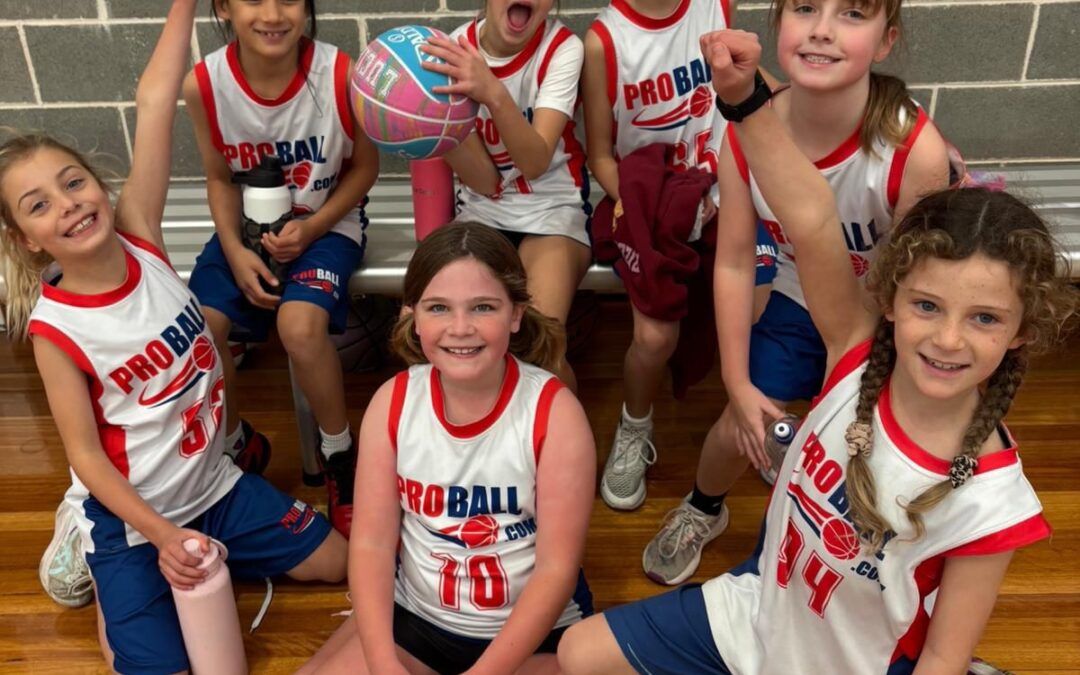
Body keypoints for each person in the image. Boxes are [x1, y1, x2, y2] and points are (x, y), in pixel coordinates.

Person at [556, 29, 1077, 675]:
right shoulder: (856, 353)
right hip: (767, 605)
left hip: (843, 660)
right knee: (578, 652)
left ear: (1023, 329)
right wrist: (744, 99)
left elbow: (942, 654)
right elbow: (810, 215)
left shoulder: (991, 500)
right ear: (888, 299)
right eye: (927, 306)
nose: (947, 338)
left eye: (985, 318)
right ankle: (706, 514)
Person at [0, 2, 347, 672]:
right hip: (133, 522)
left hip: (212, 483)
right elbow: (87, 458)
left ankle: (188, 553)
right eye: (39, 204)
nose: (67, 202)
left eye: (73, 182)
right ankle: (96, 561)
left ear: (98, 186)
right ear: (24, 239)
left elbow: (155, 99)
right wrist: (161, 536)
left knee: (333, 560)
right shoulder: (56, 331)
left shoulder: (140, 235)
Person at [642, 0, 953, 585]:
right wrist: (737, 385)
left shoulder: (914, 151)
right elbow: (734, 261)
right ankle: (703, 508)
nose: (822, 30)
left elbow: (919, 292)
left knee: (847, 448)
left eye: (852, 15)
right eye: (805, 7)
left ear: (886, 42)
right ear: (778, 24)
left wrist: (853, 379)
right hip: (792, 295)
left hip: (877, 316)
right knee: (743, 426)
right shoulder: (748, 127)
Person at [300, 222, 595, 675]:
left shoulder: (555, 414)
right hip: (419, 622)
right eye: (439, 307)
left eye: (483, 307)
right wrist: (382, 661)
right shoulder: (392, 403)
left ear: (516, 314)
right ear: (411, 316)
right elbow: (373, 544)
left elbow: (556, 570)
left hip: (530, 634)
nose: (461, 328)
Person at [184, 0, 380, 536]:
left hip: (325, 228)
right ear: (224, 7)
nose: (272, 13)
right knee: (200, 330)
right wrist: (235, 248)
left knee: (299, 326)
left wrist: (313, 229)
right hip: (245, 233)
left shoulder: (340, 73)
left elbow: (365, 167)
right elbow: (220, 179)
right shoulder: (204, 83)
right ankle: (233, 447)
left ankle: (339, 453)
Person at [582, 0, 776, 513]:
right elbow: (600, 153)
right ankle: (634, 425)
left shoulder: (716, 7)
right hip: (648, 197)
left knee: (759, 307)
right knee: (654, 335)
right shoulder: (604, 40)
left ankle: (749, 422)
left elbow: (753, 94)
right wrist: (633, 204)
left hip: (724, 187)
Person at [418, 0, 591, 392]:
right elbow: (484, 182)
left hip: (552, 211)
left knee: (539, 346)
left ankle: (561, 448)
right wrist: (422, 123)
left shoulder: (563, 48)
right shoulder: (454, 49)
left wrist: (493, 92)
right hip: (484, 212)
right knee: (442, 336)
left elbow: (533, 161)